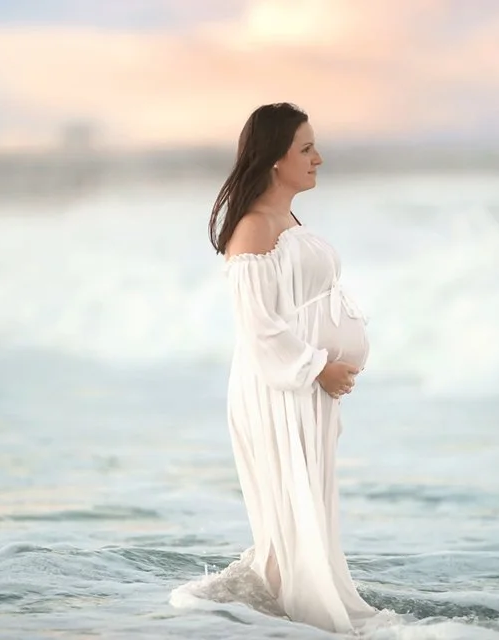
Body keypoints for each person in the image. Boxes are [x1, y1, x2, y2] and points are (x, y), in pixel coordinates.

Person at [206, 102, 377, 632]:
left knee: (306, 510)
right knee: (287, 512)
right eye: (306, 148)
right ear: (275, 158)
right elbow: (258, 329)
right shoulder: (254, 228)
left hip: (303, 388)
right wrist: (318, 368)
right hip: (279, 388)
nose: (318, 158)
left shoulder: (288, 218)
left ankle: (281, 609)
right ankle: (269, 615)